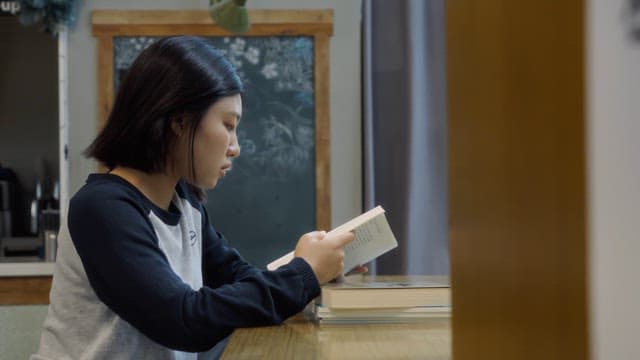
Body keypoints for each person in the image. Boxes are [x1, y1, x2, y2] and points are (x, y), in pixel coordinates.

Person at [31, 35, 359, 360]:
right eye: (228, 125)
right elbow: (183, 319)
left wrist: (313, 277)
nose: (236, 146)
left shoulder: (184, 202)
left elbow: (238, 277)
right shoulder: (102, 208)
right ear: (179, 121)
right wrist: (302, 275)